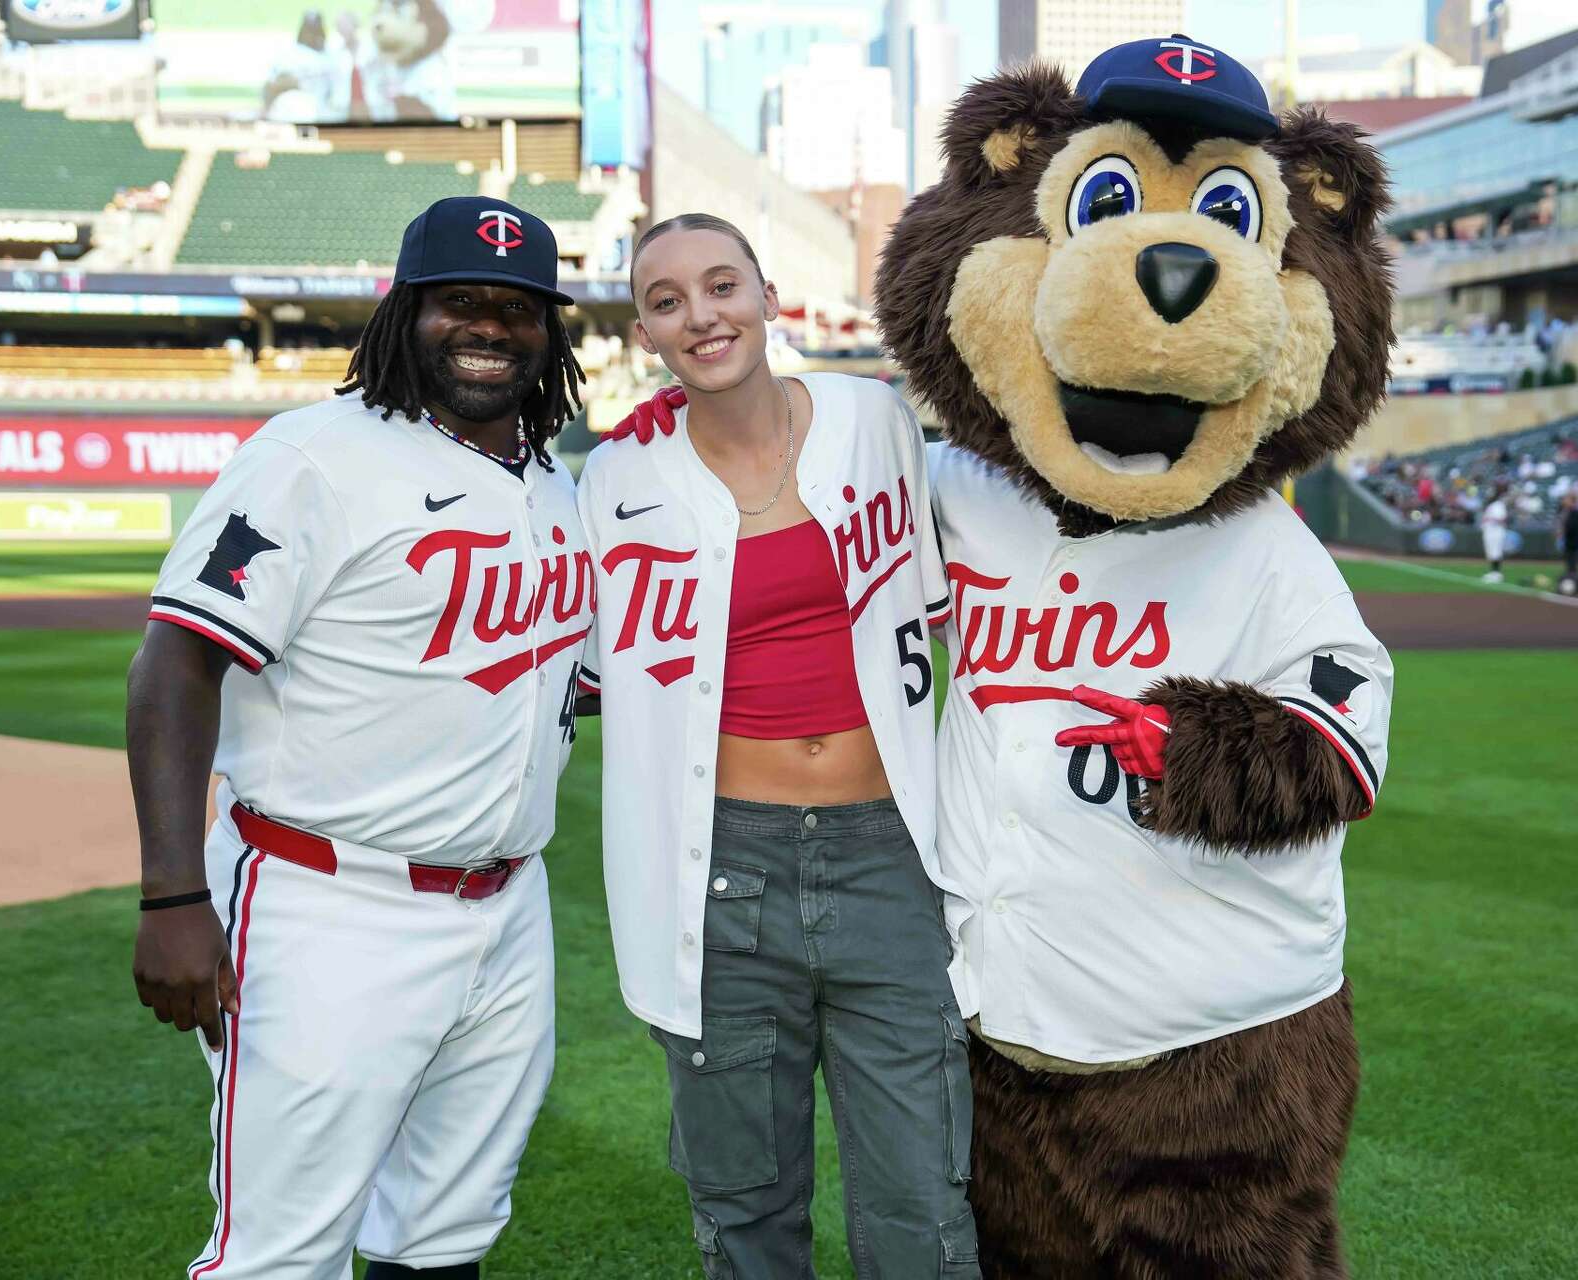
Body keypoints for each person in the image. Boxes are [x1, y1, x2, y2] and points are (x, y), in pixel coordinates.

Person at [127, 196, 587, 1279]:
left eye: (518, 308)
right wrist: (171, 895)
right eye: (458, 300)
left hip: (508, 909)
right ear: (404, 311)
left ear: (551, 332)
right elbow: (176, 661)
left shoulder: (555, 482)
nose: (488, 325)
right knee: (280, 1254)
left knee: (446, 1230)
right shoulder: (313, 456)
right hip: (325, 904)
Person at [588, 215, 977, 1277]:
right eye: (668, 301)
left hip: (892, 855)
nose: (701, 313)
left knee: (924, 1215)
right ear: (647, 335)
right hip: (722, 871)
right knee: (747, 1220)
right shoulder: (615, 483)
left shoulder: (873, 420)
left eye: (722, 285)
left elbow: (939, 608)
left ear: (768, 296)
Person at [1479, 482, 1511, 581]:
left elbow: (1502, 519)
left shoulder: (1498, 504)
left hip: (1496, 531)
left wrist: (1490, 519)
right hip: (1490, 530)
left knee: (1495, 552)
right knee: (1491, 553)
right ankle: (1493, 573)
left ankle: (1497, 574)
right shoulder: (1493, 505)